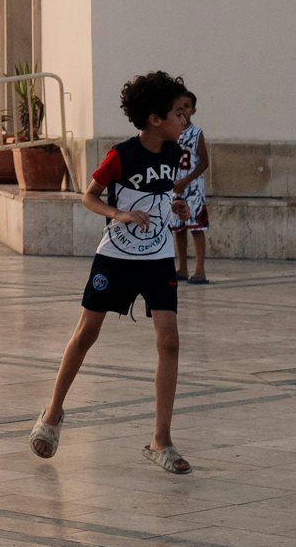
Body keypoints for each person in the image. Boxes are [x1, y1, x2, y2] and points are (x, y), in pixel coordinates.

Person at [29, 71, 195, 474]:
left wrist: (174, 207)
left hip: (157, 256)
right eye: (178, 113)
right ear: (155, 119)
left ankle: (161, 440)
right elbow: (88, 197)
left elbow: (161, 193)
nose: (185, 121)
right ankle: (52, 415)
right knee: (86, 333)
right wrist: (117, 213)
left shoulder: (175, 153)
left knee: (169, 340)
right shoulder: (120, 154)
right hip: (116, 256)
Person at [172, 90, 212, 285]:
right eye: (179, 108)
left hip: (193, 188)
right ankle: (182, 268)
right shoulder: (170, 133)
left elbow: (204, 162)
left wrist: (187, 180)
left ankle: (200, 269)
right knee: (178, 229)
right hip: (174, 187)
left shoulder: (197, 133)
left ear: (193, 110)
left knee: (196, 227)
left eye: (187, 107)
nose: (183, 111)